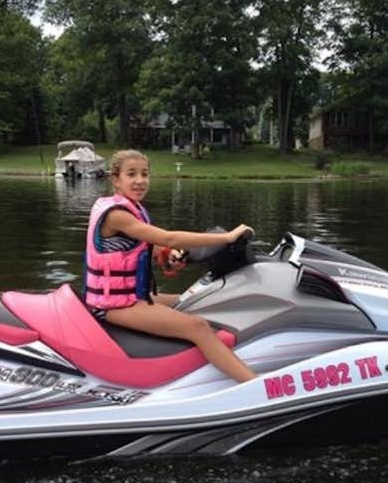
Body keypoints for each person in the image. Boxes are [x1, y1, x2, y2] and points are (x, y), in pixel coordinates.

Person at [84, 149, 258, 384]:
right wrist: (227, 237)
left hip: (132, 296)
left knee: (189, 301)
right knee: (198, 326)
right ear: (116, 179)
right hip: (113, 305)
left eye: (144, 174)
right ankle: (254, 384)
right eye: (131, 174)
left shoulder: (131, 209)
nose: (139, 181)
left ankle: (202, 371)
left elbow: (147, 246)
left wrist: (166, 255)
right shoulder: (117, 215)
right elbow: (169, 238)